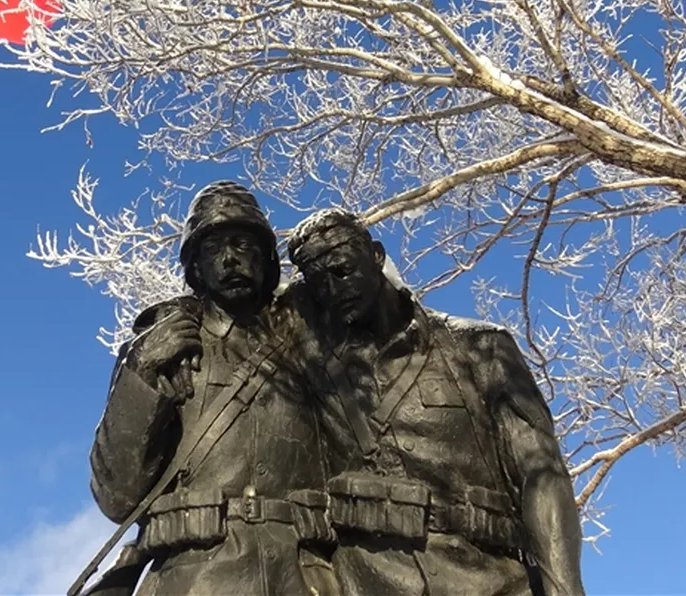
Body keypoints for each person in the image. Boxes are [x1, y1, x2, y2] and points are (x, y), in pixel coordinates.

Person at [286, 208, 586, 596]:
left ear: (376, 256)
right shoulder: (315, 372)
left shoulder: (481, 348)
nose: (335, 288)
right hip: (370, 582)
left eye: (342, 270)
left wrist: (564, 589)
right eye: (319, 282)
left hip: (491, 580)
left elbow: (542, 478)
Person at [81, 182, 340, 596]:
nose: (230, 259)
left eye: (243, 244)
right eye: (213, 248)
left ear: (266, 258)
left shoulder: (314, 342)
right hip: (193, 577)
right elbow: (117, 497)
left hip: (308, 577)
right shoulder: (161, 350)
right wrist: (142, 373)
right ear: (196, 268)